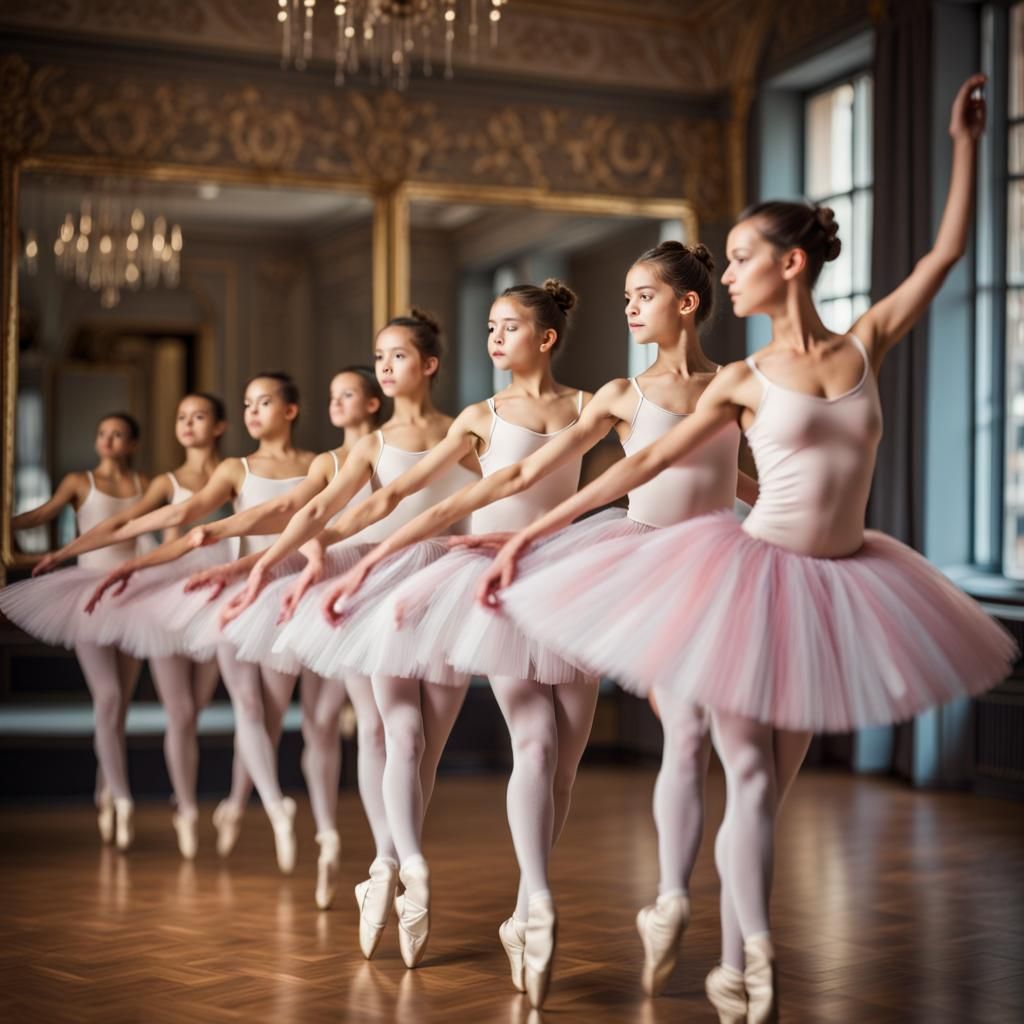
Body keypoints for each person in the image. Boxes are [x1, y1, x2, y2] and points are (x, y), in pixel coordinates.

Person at [478, 75, 1013, 1022]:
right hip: (745, 573)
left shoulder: (865, 343)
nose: (725, 276)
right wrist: (528, 534)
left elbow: (949, 253)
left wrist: (966, 143)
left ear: (793, 264)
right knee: (741, 764)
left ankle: (727, 941)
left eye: (739, 258)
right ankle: (731, 943)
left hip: (841, 581)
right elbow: (626, 473)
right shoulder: (742, 382)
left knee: (772, 785)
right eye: (719, 263)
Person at [0, 411, 149, 849]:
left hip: (133, 595)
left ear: (133, 443)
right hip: (88, 594)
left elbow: (156, 531)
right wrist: (7, 525)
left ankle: (105, 792)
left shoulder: (144, 484)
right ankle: (123, 798)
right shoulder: (78, 481)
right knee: (107, 697)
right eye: (103, 432)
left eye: (119, 433)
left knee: (119, 707)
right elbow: (44, 512)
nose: (108, 440)